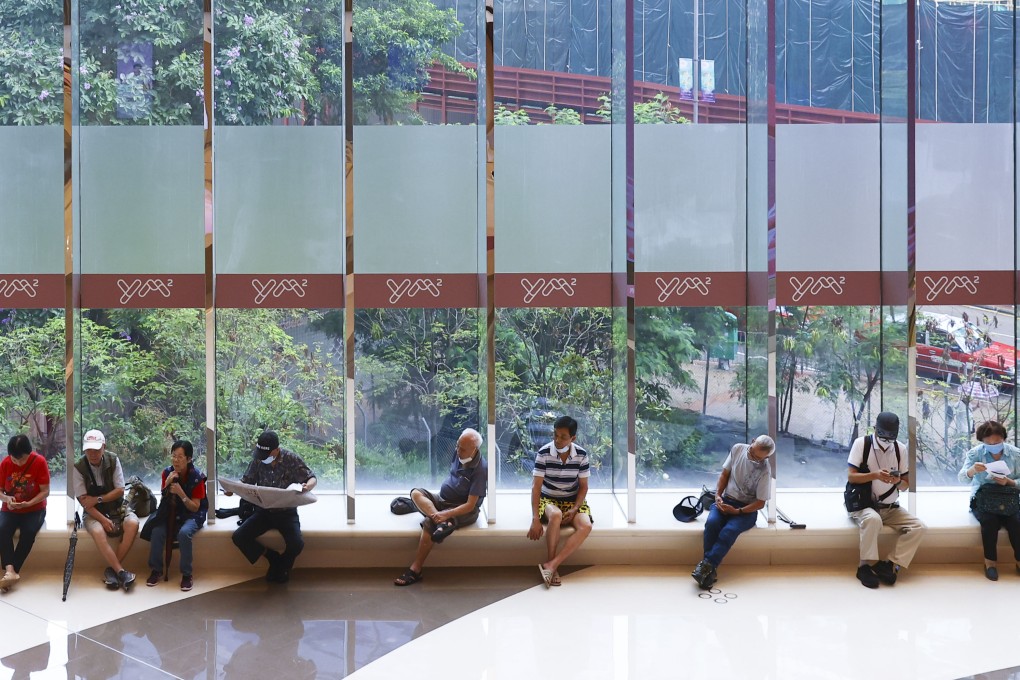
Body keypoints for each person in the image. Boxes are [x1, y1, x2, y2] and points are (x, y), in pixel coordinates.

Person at [393, 428, 487, 586]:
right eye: (457, 446)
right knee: (416, 493)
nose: (457, 450)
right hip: (443, 500)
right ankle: (443, 523)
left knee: (429, 524)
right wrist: (441, 515)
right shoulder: (459, 454)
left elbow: (470, 505)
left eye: (462, 449)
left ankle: (416, 569)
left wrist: (447, 513)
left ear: (474, 449)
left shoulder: (480, 470)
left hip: (463, 508)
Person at [847, 411, 926, 588]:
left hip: (890, 507)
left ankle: (890, 564)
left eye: (891, 436)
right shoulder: (862, 444)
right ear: (876, 429)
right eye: (883, 435)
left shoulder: (900, 449)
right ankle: (864, 566)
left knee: (919, 527)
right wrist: (874, 475)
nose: (886, 440)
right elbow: (851, 477)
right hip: (864, 504)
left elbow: (905, 486)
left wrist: (897, 481)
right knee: (873, 520)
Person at [229, 431, 316, 583]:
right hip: (263, 511)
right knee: (239, 537)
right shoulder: (258, 460)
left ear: (276, 450)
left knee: (296, 544)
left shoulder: (291, 459)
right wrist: (233, 489)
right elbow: (246, 481)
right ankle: (273, 558)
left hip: (286, 511)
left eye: (266, 454)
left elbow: (312, 477)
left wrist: (307, 487)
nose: (263, 458)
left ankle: (282, 567)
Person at [691, 434, 775, 589]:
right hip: (725, 499)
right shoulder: (738, 449)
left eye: (759, 458)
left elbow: (761, 503)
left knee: (729, 531)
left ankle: (706, 567)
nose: (754, 459)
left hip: (746, 509)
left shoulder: (765, 470)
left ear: (766, 457)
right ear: (752, 442)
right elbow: (724, 474)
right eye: (752, 453)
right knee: (712, 524)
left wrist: (738, 511)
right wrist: (717, 496)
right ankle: (708, 570)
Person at [528, 415, 593, 588]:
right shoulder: (543, 453)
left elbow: (584, 487)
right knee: (555, 515)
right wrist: (535, 519)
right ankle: (551, 564)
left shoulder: (581, 455)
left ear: (573, 438)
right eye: (555, 435)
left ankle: (552, 564)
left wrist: (575, 508)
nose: (557, 440)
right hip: (548, 499)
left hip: (572, 500)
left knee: (586, 526)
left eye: (563, 437)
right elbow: (536, 487)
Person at [72, 429, 138, 590]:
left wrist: (97, 499)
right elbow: (84, 502)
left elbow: (120, 490)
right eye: (89, 450)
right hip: (93, 513)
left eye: (96, 449)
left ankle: (112, 570)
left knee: (133, 523)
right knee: (98, 531)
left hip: (117, 506)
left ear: (104, 447)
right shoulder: (79, 467)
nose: (92, 454)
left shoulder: (113, 460)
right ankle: (121, 572)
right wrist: (103, 519)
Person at [141, 440, 208, 591]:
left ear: (189, 459)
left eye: (180, 457)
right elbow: (163, 499)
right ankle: (156, 569)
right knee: (157, 531)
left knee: (184, 533)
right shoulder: (167, 472)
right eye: (173, 456)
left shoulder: (197, 477)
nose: (175, 460)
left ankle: (187, 574)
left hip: (193, 514)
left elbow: (195, 507)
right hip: (171, 510)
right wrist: (167, 484)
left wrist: (181, 493)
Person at [958, 420, 1020, 580]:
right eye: (989, 443)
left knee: (1016, 522)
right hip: (983, 498)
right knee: (990, 521)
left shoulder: (1015, 454)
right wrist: (972, 471)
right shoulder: (975, 453)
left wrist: (1009, 482)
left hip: (1009, 497)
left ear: (1004, 438)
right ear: (982, 441)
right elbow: (962, 478)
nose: (993, 445)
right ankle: (990, 563)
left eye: (997, 442)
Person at [0, 436, 50, 592]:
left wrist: (29, 503)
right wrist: (7, 498)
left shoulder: (39, 462)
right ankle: (10, 571)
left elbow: (45, 491)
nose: (18, 463)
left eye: (21, 460)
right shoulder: (5, 463)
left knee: (28, 532)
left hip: (34, 508)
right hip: (11, 508)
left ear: (30, 453)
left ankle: (12, 572)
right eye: (14, 460)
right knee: (2, 528)